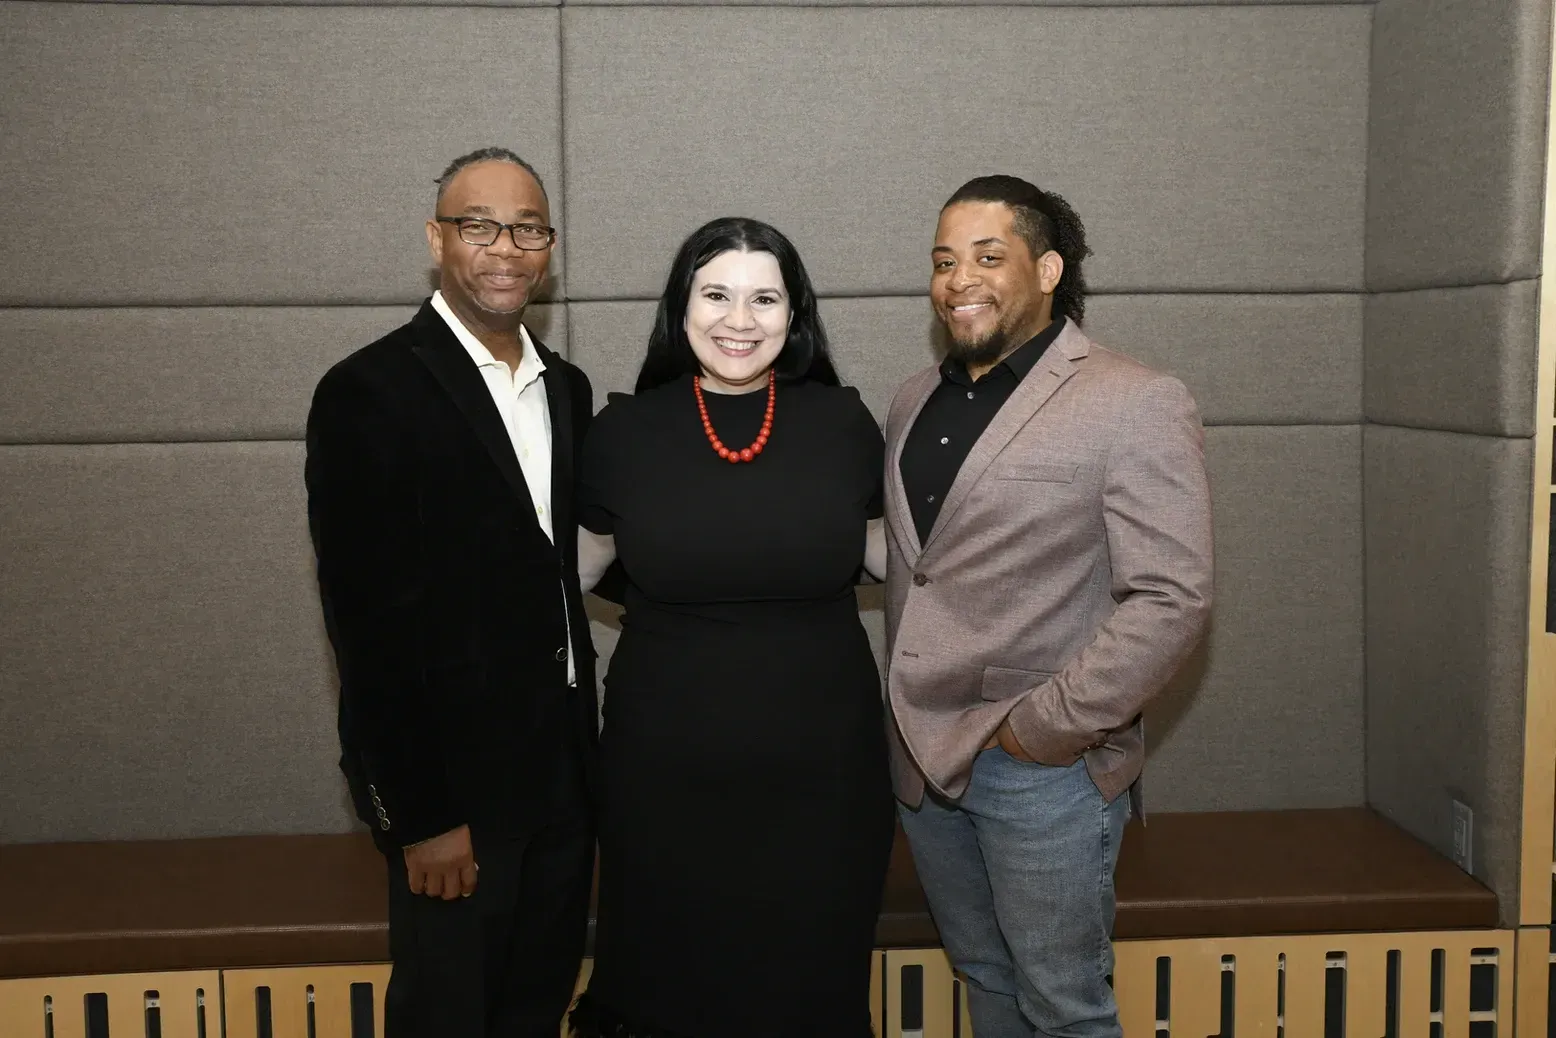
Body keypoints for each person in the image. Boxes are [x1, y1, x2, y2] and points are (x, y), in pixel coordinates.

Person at [883, 175, 1214, 1038]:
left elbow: (1172, 596)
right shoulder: (913, 398)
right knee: (986, 978)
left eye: (988, 256)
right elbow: (928, 564)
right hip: (922, 761)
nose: (960, 279)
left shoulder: (1135, 399)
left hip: (1039, 771)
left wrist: (1042, 730)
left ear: (1049, 269)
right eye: (944, 261)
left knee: (1065, 1008)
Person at [569, 217, 894, 1038]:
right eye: (716, 295)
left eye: (765, 299)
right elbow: (568, 581)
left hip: (826, 781)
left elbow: (910, 564)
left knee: (808, 995)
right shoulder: (623, 433)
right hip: (663, 779)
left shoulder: (845, 423)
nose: (739, 321)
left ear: (796, 314)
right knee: (667, 995)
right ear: (680, 308)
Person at [305, 147, 598, 1038]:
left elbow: (553, 573)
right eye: (479, 226)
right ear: (437, 240)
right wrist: (422, 816)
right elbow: (367, 628)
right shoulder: (368, 391)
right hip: (456, 800)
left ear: (549, 247)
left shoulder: (568, 389)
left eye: (527, 229)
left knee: (534, 1013)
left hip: (562, 784)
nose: (505, 248)